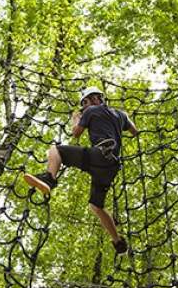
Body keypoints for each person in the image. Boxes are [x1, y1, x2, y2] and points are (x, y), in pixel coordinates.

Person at [24, 86, 138, 254]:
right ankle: (118, 241)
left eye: (84, 102)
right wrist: (119, 121)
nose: (84, 107)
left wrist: (76, 119)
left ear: (95, 98)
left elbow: (76, 133)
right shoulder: (121, 115)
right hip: (110, 167)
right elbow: (135, 131)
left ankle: (49, 178)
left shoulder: (91, 110)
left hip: (98, 156)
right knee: (95, 206)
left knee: (56, 150)